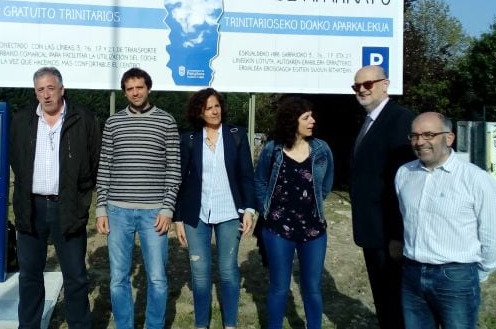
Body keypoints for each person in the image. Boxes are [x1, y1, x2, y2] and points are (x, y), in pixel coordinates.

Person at [395, 112, 496, 329]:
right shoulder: (404, 174)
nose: (420, 142)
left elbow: (494, 237)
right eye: (415, 135)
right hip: (412, 273)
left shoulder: (475, 178)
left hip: (456, 277)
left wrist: (474, 275)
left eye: (429, 134)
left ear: (449, 138)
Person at [10, 66, 101, 329]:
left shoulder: (82, 118)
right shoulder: (23, 120)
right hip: (31, 207)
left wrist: (82, 193)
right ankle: (28, 325)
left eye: (51, 88)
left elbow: (94, 160)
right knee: (29, 276)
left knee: (75, 276)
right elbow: (16, 158)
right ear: (35, 93)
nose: (46, 95)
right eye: (40, 90)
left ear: (62, 89)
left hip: (69, 206)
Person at [95, 67, 181, 329]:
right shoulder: (113, 122)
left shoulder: (167, 121)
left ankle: (154, 325)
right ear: (124, 92)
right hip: (117, 211)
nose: (135, 92)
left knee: (156, 278)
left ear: (148, 88)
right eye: (130, 88)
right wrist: (101, 208)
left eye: (139, 87)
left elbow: (173, 168)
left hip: (154, 213)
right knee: (118, 278)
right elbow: (105, 166)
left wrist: (168, 208)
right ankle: (125, 325)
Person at [173, 88, 256, 329]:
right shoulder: (188, 139)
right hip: (195, 215)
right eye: (208, 107)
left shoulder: (236, 135)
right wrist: (178, 218)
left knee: (228, 270)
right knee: (200, 275)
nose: (214, 111)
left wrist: (249, 209)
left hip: (230, 213)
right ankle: (202, 324)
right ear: (199, 112)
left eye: (217, 105)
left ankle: (230, 324)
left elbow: (246, 175)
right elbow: (181, 180)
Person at [254, 96, 334, 329]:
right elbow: (259, 181)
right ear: (292, 121)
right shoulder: (273, 149)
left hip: (314, 229)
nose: (312, 121)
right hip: (278, 230)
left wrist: (313, 205)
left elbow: (326, 184)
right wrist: (267, 212)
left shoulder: (322, 149)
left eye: (312, 116)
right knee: (279, 288)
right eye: (306, 117)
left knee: (312, 288)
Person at [349, 65, 415, 329]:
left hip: (388, 233)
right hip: (371, 230)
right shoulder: (369, 121)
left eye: (368, 84)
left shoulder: (399, 120)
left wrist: (397, 235)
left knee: (396, 302)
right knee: (384, 299)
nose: (362, 90)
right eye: (357, 86)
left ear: (385, 84)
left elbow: (403, 185)